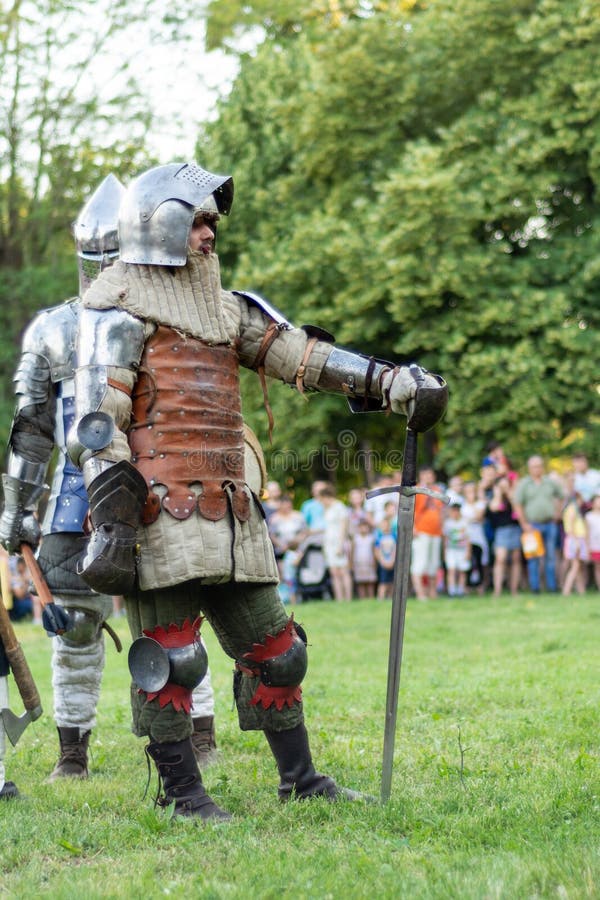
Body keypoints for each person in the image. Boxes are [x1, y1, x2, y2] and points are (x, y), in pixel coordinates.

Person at [68, 161, 447, 820]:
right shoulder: (116, 308)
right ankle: (181, 795)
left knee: (278, 650)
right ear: (161, 227)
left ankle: (299, 779)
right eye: (198, 221)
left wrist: (386, 382)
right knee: (172, 657)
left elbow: (297, 355)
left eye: (212, 221)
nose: (211, 234)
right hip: (157, 509)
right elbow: (100, 425)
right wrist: (116, 523)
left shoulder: (226, 310)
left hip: (230, 506)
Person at [0, 175, 220, 777]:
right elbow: (34, 431)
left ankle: (199, 735)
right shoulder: (52, 329)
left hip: (160, 490)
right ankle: (73, 753)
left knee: (176, 628)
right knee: (74, 629)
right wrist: (16, 512)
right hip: (76, 502)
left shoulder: (171, 318)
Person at [514, 455, 564, 593]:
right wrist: (524, 523)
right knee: (533, 558)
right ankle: (535, 588)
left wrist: (557, 513)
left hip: (549, 523)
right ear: (529, 469)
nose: (537, 469)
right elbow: (518, 504)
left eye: (539, 466)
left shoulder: (549, 482)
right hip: (532, 525)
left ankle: (552, 587)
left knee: (551, 557)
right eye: (534, 466)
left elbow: (561, 495)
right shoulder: (524, 484)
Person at [411, 466, 444, 600]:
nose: (429, 478)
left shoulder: (438, 490)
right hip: (421, 531)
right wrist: (413, 528)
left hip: (436, 532)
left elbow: (441, 510)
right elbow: (410, 509)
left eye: (431, 475)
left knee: (433, 564)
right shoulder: (417, 490)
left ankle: (432, 593)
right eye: (426, 475)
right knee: (420, 563)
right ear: (421, 477)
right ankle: (420, 594)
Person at [486, 476, 522, 597]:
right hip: (501, 530)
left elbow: (519, 510)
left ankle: (514, 590)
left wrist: (509, 493)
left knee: (516, 560)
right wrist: (498, 494)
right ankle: (497, 590)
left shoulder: (514, 496)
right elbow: (493, 508)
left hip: (515, 529)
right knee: (500, 559)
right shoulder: (494, 497)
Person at [317, 484, 353, 601]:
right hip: (329, 543)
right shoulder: (326, 509)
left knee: (343, 571)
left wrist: (340, 545)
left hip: (339, 541)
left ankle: (348, 598)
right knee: (334, 571)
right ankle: (339, 598)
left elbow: (343, 527)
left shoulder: (339, 507)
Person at [560, 476, 588, 597]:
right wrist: (576, 542)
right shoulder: (572, 509)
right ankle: (566, 590)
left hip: (576, 539)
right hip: (574, 539)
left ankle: (581, 590)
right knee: (575, 566)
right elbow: (571, 527)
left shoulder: (572, 509)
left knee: (577, 567)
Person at [442, 502, 471, 597]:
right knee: (451, 570)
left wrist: (468, 551)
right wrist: (445, 552)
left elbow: (468, 538)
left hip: (462, 550)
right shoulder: (448, 523)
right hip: (451, 549)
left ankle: (460, 590)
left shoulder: (464, 522)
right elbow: (445, 538)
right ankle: (452, 591)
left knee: (462, 570)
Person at [349, 517, 377, 598]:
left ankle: (371, 598)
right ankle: (362, 598)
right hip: (358, 563)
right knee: (360, 582)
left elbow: (373, 551)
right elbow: (352, 551)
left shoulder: (371, 538)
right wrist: (351, 564)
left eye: (365, 527)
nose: (363, 529)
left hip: (369, 562)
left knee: (370, 582)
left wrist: (374, 563)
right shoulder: (356, 538)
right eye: (361, 527)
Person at [374, 516, 396, 600]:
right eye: (382, 525)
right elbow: (377, 551)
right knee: (383, 582)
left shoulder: (394, 536)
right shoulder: (378, 537)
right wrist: (382, 561)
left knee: (392, 582)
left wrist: (392, 561)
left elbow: (395, 548)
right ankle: (381, 597)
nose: (385, 527)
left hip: (392, 562)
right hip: (383, 563)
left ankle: (390, 597)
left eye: (386, 525)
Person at [8, 557, 34, 622]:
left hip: (27, 599)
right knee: (31, 604)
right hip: (19, 603)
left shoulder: (27, 576)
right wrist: (25, 583)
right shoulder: (15, 578)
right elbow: (20, 596)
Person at [584, 493, 600, 591]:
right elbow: (587, 533)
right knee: (597, 567)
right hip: (594, 546)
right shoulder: (589, 516)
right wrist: (587, 547)